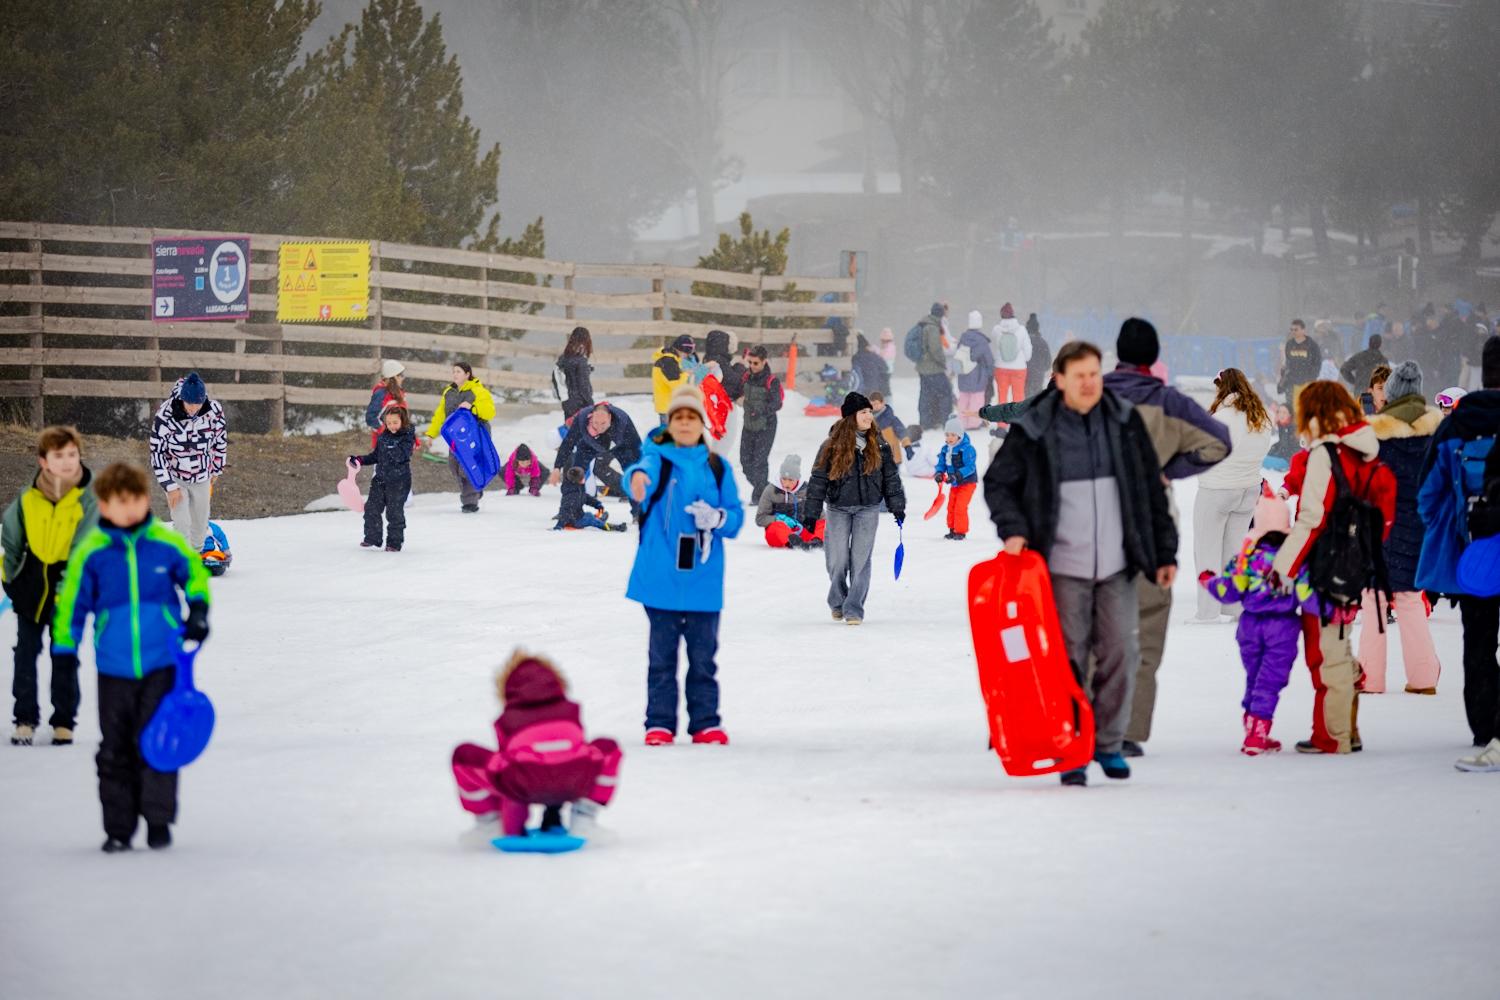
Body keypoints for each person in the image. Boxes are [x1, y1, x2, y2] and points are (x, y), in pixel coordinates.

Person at [984, 341, 1178, 786]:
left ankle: (1108, 743)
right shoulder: (1036, 426)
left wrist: (1164, 552)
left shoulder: (1124, 422)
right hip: (1060, 566)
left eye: (1094, 374)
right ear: (1060, 380)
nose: (1089, 383)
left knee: (1121, 652)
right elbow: (999, 484)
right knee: (1068, 658)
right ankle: (1073, 745)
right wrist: (1013, 529)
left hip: (1117, 564)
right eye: (1080, 376)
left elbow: (1150, 491)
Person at [51, 462, 212, 851]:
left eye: (136, 499)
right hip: (114, 668)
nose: (130, 508)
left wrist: (198, 609)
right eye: (120, 502)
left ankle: (158, 820)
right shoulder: (93, 553)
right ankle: (118, 829)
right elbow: (71, 603)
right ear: (105, 505)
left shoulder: (164, 544)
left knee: (158, 744)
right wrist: (64, 650)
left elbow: (194, 573)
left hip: (161, 664)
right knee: (115, 749)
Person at [1103, 319, 1231, 756]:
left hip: (1091, 523)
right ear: (1154, 357)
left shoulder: (1091, 394)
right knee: (1144, 629)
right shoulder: (1168, 401)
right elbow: (1219, 442)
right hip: (1151, 526)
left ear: (1117, 352)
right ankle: (1127, 730)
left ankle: (1089, 720)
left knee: (1092, 625)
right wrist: (1167, 470)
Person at [1271, 381, 1396, 756]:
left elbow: (1312, 518)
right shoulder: (1364, 448)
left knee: (1325, 652)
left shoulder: (1327, 452)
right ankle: (1345, 725)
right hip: (1354, 562)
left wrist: (1282, 567)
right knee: (1336, 643)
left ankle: (1333, 734)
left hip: (1324, 564)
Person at [626, 386, 743, 745]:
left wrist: (719, 518)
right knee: (661, 658)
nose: (686, 423)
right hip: (660, 575)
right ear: (671, 423)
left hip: (703, 577)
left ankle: (706, 723)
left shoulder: (717, 467)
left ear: (701, 424)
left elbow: (736, 518)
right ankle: (659, 724)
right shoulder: (657, 459)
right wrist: (636, 480)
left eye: (692, 417)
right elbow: (638, 475)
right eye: (679, 417)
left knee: (703, 659)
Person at [1416, 337, 1500, 770]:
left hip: (1474, 552)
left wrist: (1451, 532)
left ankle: (1485, 727)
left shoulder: (1457, 423)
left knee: (1478, 641)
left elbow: (1427, 493)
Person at [450, 649, 622, 843]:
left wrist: (513, 831)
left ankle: (489, 823)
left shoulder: (509, 720)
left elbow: (509, 770)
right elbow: (562, 757)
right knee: (606, 748)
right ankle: (584, 817)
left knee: (464, 757)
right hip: (576, 779)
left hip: (523, 783)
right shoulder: (570, 711)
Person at [3, 426, 97, 746]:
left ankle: (63, 722)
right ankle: (25, 719)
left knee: (64, 655)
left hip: (68, 588)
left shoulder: (88, 499)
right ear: (44, 461)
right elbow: (11, 541)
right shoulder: (27, 498)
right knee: (25, 654)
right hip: (31, 585)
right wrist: (10, 578)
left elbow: (85, 547)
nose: (68, 461)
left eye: (73, 454)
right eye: (59, 455)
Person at [1199, 498, 1313, 755]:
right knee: (1270, 681)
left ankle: (1252, 727)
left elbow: (1229, 591)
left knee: (1255, 677)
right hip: (1282, 628)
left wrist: (1209, 581)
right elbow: (1307, 595)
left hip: (1249, 627)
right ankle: (1257, 733)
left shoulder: (1246, 559)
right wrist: (1332, 610)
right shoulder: (1294, 560)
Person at [1361, 362, 1443, 694]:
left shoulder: (1374, 434)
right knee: (1409, 599)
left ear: (1391, 393)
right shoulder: (1436, 432)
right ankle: (1423, 678)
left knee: (1374, 599)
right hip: (1418, 528)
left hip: (1379, 527)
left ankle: (1370, 677)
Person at [804, 392, 906, 626]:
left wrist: (896, 505)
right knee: (837, 559)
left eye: (870, 411)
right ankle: (837, 600)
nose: (869, 416)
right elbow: (818, 479)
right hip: (838, 508)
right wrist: (811, 512)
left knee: (860, 560)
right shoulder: (831, 445)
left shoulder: (879, 443)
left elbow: (890, 477)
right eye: (864, 412)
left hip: (868, 508)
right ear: (851, 416)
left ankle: (853, 608)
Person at [1189, 369, 1275, 623]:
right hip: (1248, 490)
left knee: (1207, 550)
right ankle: (1235, 607)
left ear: (1222, 387)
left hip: (1217, 490)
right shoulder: (1260, 416)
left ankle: (1207, 612)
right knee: (1235, 553)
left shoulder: (1221, 418)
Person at [148, 372, 227, 552]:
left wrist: (216, 469)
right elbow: (157, 453)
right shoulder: (165, 416)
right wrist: (170, 486)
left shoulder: (214, 412)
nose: (193, 408)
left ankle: (195, 554)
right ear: (182, 399)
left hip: (202, 475)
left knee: (199, 525)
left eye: (197, 404)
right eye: (189, 403)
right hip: (176, 477)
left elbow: (220, 441)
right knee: (182, 523)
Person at [424, 361, 496, 513]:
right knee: (454, 466)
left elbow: (490, 412)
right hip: (456, 437)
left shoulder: (478, 391)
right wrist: (431, 434)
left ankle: (470, 502)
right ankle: (475, 488)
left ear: (467, 374)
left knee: (466, 467)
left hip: (474, 436)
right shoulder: (449, 392)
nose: (455, 374)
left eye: (458, 371)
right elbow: (440, 415)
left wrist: (473, 407)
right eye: (454, 371)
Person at [349, 404, 416, 552]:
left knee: (394, 512)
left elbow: (402, 454)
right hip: (380, 479)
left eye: (395, 422)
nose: (392, 426)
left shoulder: (407, 436)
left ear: (403, 421)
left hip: (399, 481)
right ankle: (372, 537)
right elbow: (375, 456)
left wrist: (391, 446)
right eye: (389, 423)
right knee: (371, 508)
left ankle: (394, 543)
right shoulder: (383, 437)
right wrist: (360, 459)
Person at [552, 401, 643, 500]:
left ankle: (631, 495)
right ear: (591, 417)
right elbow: (568, 443)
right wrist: (557, 467)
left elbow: (636, 445)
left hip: (618, 446)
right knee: (578, 471)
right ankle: (572, 504)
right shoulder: (581, 419)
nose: (599, 427)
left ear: (609, 418)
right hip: (589, 445)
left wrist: (643, 468)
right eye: (596, 423)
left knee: (629, 471)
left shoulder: (622, 420)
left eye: (603, 423)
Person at [739, 345, 783, 501]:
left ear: (764, 362)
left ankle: (760, 496)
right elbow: (737, 390)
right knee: (745, 462)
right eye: (750, 362)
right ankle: (766, 491)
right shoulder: (746, 376)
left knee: (759, 462)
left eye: (756, 363)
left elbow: (777, 403)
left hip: (766, 426)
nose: (752, 366)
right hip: (749, 425)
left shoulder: (772, 381)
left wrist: (760, 410)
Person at [755, 454, 823, 549]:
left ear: (797, 479)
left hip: (803, 531)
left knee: (822, 523)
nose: (786, 483)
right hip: (779, 535)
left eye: (791, 480)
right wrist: (778, 518)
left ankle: (816, 542)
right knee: (777, 526)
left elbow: (821, 516)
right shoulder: (771, 490)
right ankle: (793, 542)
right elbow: (760, 519)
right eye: (784, 479)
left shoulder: (807, 490)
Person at [934, 416, 978, 541]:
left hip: (967, 483)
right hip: (955, 483)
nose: (949, 438)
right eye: (947, 435)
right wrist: (939, 473)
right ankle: (952, 529)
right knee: (951, 506)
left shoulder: (967, 449)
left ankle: (960, 531)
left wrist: (956, 475)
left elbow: (970, 467)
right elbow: (941, 464)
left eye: (953, 435)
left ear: (960, 435)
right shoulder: (945, 449)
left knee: (960, 506)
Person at [953, 311, 995, 431]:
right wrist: (990, 374)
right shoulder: (982, 341)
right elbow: (989, 360)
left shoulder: (963, 338)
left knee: (964, 399)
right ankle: (973, 423)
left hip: (963, 374)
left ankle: (962, 422)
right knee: (976, 400)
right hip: (978, 376)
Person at [913, 303, 951, 431]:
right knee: (945, 392)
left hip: (923, 367)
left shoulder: (924, 323)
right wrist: (943, 362)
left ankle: (926, 422)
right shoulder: (933, 327)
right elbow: (935, 349)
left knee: (926, 395)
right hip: (933, 368)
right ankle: (945, 420)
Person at [990, 303, 1031, 420]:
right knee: (1018, 396)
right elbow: (1028, 351)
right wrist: (1023, 359)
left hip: (1001, 368)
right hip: (1019, 369)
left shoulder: (996, 330)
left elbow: (994, 346)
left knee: (1002, 397)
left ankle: (1002, 424)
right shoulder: (1022, 330)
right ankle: (1018, 422)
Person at [554, 467, 622, 532]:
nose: (585, 478)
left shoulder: (578, 489)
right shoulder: (572, 495)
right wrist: (559, 525)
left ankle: (598, 520)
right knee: (590, 519)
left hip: (578, 516)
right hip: (574, 521)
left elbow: (586, 498)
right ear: (579, 480)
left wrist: (597, 504)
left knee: (589, 515)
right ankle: (608, 526)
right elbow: (565, 510)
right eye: (583, 477)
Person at [651, 334, 696, 426]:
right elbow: (676, 385)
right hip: (668, 407)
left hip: (668, 404)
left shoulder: (670, 360)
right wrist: (686, 374)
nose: (686, 356)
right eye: (686, 353)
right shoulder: (668, 362)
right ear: (681, 349)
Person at [1277, 319, 1322, 408]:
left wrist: (1311, 377)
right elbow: (1287, 362)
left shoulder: (1312, 345)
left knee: (1306, 407)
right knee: (1291, 407)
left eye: (1296, 329)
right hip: (1291, 382)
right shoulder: (1289, 344)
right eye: (1292, 329)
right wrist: (1283, 378)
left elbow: (1317, 363)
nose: (1293, 332)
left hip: (1306, 382)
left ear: (1303, 330)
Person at [365, 360, 408, 448]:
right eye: (401, 375)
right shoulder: (381, 393)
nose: (403, 378)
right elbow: (371, 417)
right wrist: (384, 431)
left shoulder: (399, 393)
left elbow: (403, 418)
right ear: (394, 377)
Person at [556, 326, 595, 420]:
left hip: (567, 403)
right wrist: (592, 406)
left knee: (571, 427)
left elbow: (568, 376)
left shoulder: (563, 359)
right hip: (581, 405)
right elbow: (583, 388)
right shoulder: (581, 362)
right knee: (582, 428)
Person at [869, 391, 910, 461]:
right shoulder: (869, 420)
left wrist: (907, 446)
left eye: (876, 404)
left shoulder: (891, 419)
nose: (874, 406)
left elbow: (902, 432)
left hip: (893, 457)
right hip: (877, 459)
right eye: (872, 404)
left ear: (882, 402)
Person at [851, 332, 891, 399]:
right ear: (867, 346)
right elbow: (885, 368)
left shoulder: (855, 358)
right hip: (875, 389)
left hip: (862, 390)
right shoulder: (875, 357)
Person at [1024, 312, 1052, 398]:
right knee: (1037, 398)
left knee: (1026, 397)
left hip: (1025, 373)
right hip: (1038, 375)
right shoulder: (1043, 343)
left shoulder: (1024, 342)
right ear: (1037, 329)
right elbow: (1048, 362)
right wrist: (1041, 369)